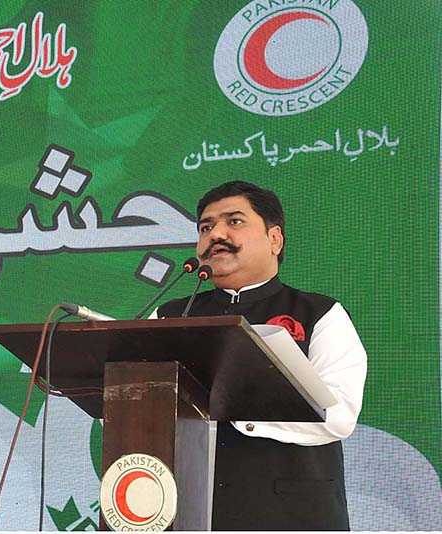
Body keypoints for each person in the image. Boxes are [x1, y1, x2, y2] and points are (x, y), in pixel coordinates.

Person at [153, 181, 367, 531]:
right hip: (186, 512)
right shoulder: (168, 316)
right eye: (206, 227)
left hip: (291, 515)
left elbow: (339, 413)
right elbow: (129, 403)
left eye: (234, 222)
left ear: (274, 240)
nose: (216, 234)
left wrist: (241, 414)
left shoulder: (320, 313)